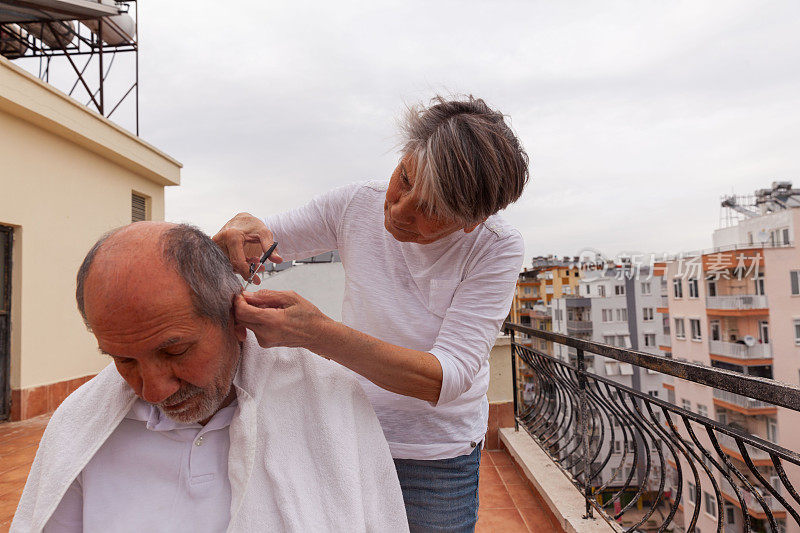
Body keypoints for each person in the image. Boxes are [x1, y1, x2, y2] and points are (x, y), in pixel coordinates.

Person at [215, 95, 529, 531]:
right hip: (347, 433)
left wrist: (317, 334)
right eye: (404, 179)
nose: (399, 212)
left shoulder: (495, 246)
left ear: (472, 221)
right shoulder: (354, 205)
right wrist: (240, 227)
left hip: (435, 461)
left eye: (431, 210)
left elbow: (445, 377)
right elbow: (260, 241)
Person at [12, 222, 408, 533]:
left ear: (236, 319)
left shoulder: (330, 403)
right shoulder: (79, 429)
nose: (153, 391)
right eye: (124, 360)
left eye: (175, 351)